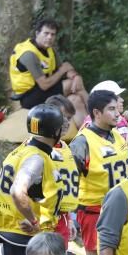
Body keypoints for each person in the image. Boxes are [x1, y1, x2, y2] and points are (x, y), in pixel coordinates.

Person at [0, 103, 66, 255]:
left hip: (11, 233)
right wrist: (34, 221)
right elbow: (18, 191)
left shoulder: (19, 151)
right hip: (26, 238)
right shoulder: (37, 158)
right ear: (56, 131)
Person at [72, 89, 128, 255]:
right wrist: (70, 215)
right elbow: (69, 179)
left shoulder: (117, 136)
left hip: (121, 208)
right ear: (97, 113)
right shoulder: (82, 142)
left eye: (117, 108)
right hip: (94, 210)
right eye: (111, 109)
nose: (117, 114)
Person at [8, 19, 87, 124]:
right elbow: (44, 85)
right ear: (37, 33)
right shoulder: (29, 54)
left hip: (43, 91)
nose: (49, 37)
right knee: (71, 84)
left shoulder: (50, 50)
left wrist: (76, 76)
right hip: (29, 96)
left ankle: (87, 132)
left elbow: (66, 68)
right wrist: (64, 72)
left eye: (53, 34)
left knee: (75, 99)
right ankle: (98, 113)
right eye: (46, 33)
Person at [47, 95, 82, 245]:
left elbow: (65, 188)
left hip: (62, 219)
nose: (68, 123)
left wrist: (69, 219)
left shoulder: (66, 148)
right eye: (64, 117)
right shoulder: (36, 149)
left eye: (70, 118)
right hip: (42, 220)